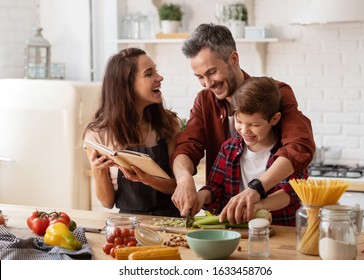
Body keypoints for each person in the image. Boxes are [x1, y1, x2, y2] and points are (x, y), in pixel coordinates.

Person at [171, 23, 315, 224]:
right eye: (200, 77)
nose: (207, 83)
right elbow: (187, 147)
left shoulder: (276, 93)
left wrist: (256, 190)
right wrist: (184, 178)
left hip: (277, 222)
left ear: (234, 59)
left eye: (212, 72)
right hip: (229, 224)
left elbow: (299, 146)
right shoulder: (205, 101)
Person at [82, 47, 181, 216]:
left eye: (155, 71)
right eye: (149, 74)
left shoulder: (167, 124)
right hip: (128, 224)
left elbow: (177, 186)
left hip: (170, 220)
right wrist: (98, 171)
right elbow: (107, 202)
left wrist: (147, 179)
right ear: (126, 85)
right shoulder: (97, 135)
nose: (159, 77)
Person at [195, 77, 307, 226]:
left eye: (254, 124)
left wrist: (258, 206)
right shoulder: (228, 149)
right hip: (237, 232)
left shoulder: (287, 154)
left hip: (280, 230)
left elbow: (290, 193)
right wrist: (202, 196)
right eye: (239, 121)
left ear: (274, 119)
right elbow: (216, 188)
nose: (245, 130)